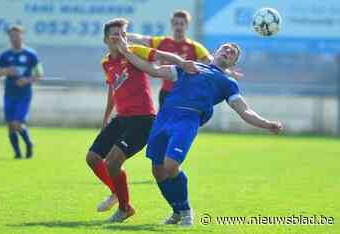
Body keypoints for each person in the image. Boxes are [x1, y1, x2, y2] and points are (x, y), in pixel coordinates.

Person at [113, 35, 283, 226]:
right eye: (225, 48)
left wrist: (267, 124)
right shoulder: (190, 66)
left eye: (232, 53)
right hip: (165, 117)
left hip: (188, 120)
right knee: (157, 169)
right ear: (215, 52)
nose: (227, 52)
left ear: (233, 63)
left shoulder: (227, 83)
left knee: (171, 165)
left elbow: (245, 110)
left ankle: (186, 211)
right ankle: (177, 212)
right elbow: (154, 70)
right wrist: (127, 52)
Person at [85, 18, 198, 223]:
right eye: (115, 35)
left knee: (113, 162)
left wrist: (183, 63)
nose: (121, 38)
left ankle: (124, 208)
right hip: (121, 119)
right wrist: (106, 118)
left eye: (123, 34)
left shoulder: (135, 52)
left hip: (142, 119)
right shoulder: (106, 62)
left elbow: (163, 55)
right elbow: (112, 90)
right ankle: (116, 194)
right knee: (92, 158)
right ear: (105, 39)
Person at [127, 10, 213, 107]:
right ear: (172, 25)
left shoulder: (195, 47)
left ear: (187, 26)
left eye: (182, 24)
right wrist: (123, 35)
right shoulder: (162, 42)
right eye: (176, 23)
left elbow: (211, 63)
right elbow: (140, 38)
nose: (179, 27)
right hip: (167, 93)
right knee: (165, 122)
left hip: (187, 93)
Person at [0, 25, 43, 159]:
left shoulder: (30, 54)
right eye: (12, 36)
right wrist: (6, 71)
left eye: (17, 35)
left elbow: (39, 74)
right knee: (10, 125)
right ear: (9, 37)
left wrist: (26, 80)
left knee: (17, 123)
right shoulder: (5, 55)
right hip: (9, 93)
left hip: (24, 94)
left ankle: (28, 143)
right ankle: (18, 153)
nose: (15, 38)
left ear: (22, 36)